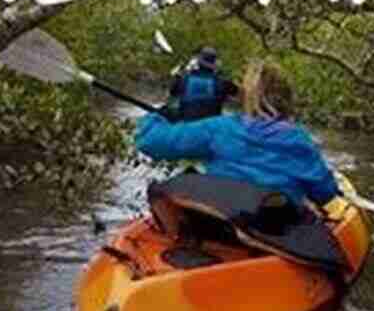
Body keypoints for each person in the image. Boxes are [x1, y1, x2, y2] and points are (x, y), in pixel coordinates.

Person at [137, 60, 341, 211]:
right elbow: (326, 194)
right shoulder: (300, 141)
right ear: (287, 100)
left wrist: (158, 116)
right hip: (273, 231)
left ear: (248, 97)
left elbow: (149, 141)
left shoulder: (219, 129)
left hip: (223, 224)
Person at [167, 46, 239, 122]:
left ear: (198, 62)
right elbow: (235, 91)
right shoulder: (221, 82)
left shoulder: (184, 79)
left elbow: (172, 92)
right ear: (215, 63)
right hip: (211, 128)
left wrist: (181, 74)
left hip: (187, 127)